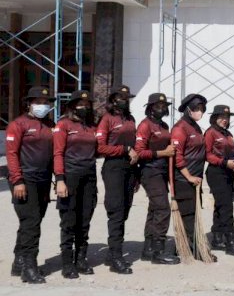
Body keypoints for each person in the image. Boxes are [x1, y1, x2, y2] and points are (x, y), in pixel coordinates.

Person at [6, 87, 55, 283]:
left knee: (31, 221)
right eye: (38, 101)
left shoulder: (51, 124)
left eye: (46, 102)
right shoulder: (18, 124)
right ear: (28, 103)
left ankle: (18, 261)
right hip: (25, 180)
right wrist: (17, 180)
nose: (42, 105)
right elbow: (11, 154)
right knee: (31, 222)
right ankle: (29, 267)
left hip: (43, 179)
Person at [53, 90, 98, 279]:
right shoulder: (63, 124)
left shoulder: (91, 126)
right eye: (80, 104)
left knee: (85, 219)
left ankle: (81, 259)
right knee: (69, 221)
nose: (84, 107)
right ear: (72, 106)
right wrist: (60, 180)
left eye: (87, 104)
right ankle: (67, 263)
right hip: (70, 176)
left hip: (89, 176)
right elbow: (58, 153)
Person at [96, 85, 137, 274]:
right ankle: (116, 255)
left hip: (129, 167)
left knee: (126, 210)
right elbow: (100, 148)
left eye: (127, 98)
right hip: (113, 166)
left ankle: (112, 253)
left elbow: (135, 143)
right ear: (113, 100)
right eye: (121, 97)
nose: (124, 100)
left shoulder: (130, 119)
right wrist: (124, 150)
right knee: (116, 211)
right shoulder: (107, 119)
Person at [134, 93, 180, 265]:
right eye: (158, 105)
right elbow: (139, 152)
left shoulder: (164, 125)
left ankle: (148, 249)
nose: (162, 108)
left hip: (162, 172)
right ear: (150, 107)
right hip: (150, 171)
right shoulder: (145, 125)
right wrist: (162, 153)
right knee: (162, 209)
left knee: (154, 209)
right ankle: (159, 252)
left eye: (164, 106)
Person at [172, 93, 215, 261]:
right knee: (188, 215)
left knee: (193, 213)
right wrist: (189, 176)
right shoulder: (180, 128)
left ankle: (183, 247)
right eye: (196, 109)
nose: (200, 112)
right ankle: (195, 248)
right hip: (184, 179)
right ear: (187, 109)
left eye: (202, 109)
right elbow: (177, 157)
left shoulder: (195, 127)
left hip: (196, 177)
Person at [205, 105, 234, 257]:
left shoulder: (227, 133)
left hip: (228, 171)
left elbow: (230, 153)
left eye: (227, 117)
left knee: (221, 205)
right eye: (221, 117)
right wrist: (224, 162)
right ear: (214, 118)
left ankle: (217, 237)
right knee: (226, 207)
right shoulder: (210, 132)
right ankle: (231, 242)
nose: (224, 120)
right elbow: (207, 154)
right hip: (216, 172)